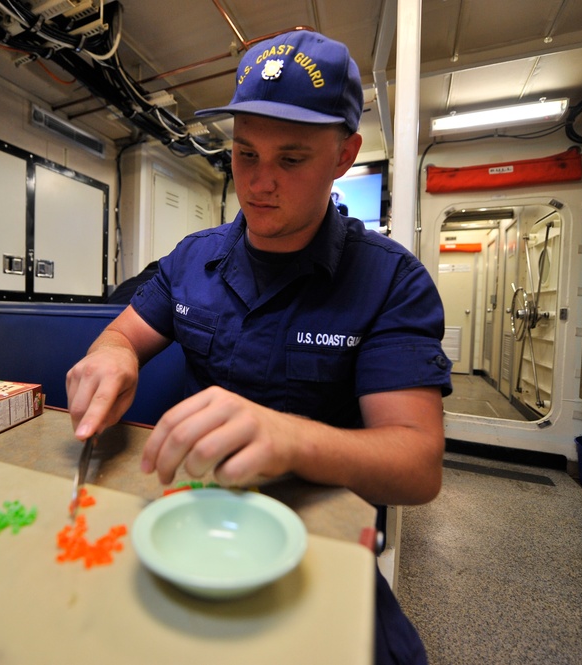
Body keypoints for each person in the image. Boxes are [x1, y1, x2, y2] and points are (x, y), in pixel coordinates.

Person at [66, 29, 451, 665]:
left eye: (291, 160)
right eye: (245, 154)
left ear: (344, 155)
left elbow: (417, 464)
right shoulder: (193, 260)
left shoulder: (390, 281)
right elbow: (122, 334)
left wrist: (291, 437)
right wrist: (111, 354)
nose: (259, 182)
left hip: (318, 543)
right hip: (192, 525)